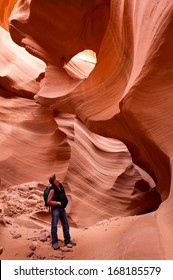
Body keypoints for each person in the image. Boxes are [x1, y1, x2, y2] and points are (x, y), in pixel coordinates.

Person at [47, 174, 76, 250]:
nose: (58, 178)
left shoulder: (61, 186)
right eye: (56, 178)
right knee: (54, 225)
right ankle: (54, 243)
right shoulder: (52, 190)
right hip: (56, 209)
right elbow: (48, 201)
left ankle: (67, 240)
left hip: (62, 209)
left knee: (65, 224)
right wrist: (57, 203)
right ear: (54, 181)